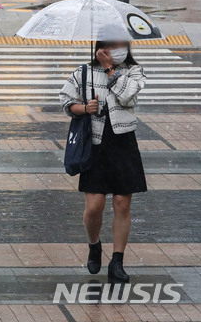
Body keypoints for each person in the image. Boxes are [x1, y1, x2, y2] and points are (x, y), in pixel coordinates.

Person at [60, 40, 147, 283]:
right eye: (112, 43)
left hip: (123, 143)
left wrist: (111, 70)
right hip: (95, 144)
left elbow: (128, 95)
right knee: (94, 207)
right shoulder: (83, 72)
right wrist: (84, 108)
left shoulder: (133, 71)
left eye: (122, 43)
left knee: (122, 204)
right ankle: (94, 244)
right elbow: (66, 102)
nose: (118, 47)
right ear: (100, 47)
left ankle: (117, 260)